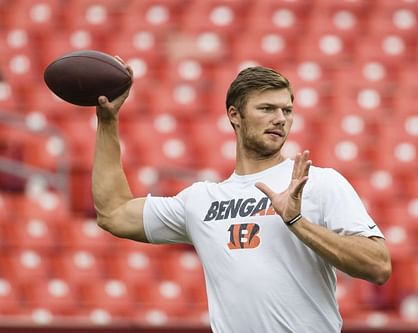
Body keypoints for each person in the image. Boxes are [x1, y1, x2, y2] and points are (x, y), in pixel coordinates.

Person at [92, 61, 392, 333]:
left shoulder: (317, 182)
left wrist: (297, 222)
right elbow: (113, 213)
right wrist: (108, 123)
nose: (280, 119)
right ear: (234, 115)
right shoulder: (202, 200)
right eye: (267, 109)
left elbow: (378, 266)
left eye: (286, 110)